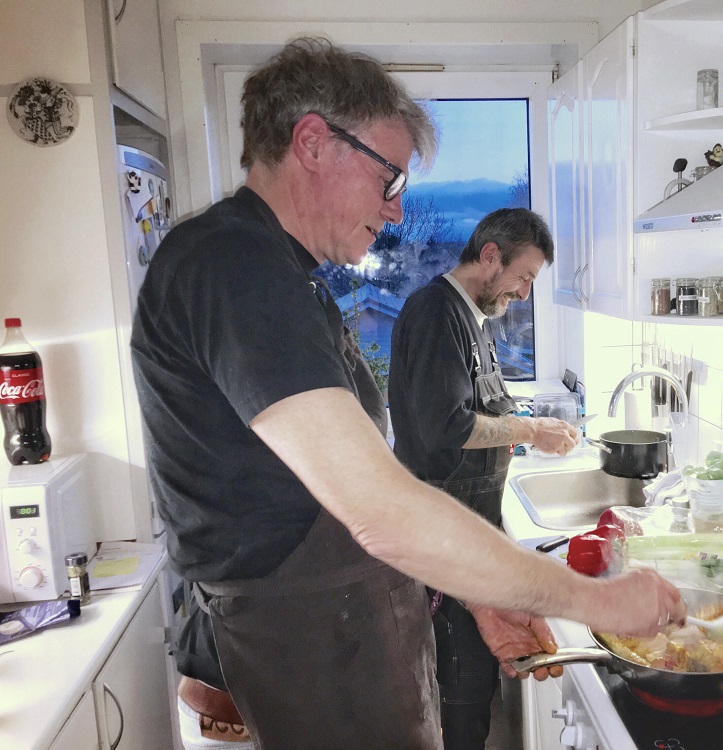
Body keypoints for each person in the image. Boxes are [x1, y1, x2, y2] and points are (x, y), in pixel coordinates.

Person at [131, 37, 686, 750]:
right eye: (389, 179)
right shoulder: (236, 268)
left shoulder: (283, 277)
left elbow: (349, 487)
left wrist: (477, 592)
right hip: (290, 667)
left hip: (336, 644)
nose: (396, 213)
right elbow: (379, 508)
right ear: (312, 143)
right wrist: (595, 600)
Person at [389, 207, 576, 749]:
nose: (523, 294)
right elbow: (446, 426)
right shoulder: (434, 314)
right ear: (490, 256)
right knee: (460, 700)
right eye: (524, 278)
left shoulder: (470, 315)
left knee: (473, 692)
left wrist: (524, 430)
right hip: (443, 547)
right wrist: (529, 430)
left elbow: (474, 408)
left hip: (469, 536)